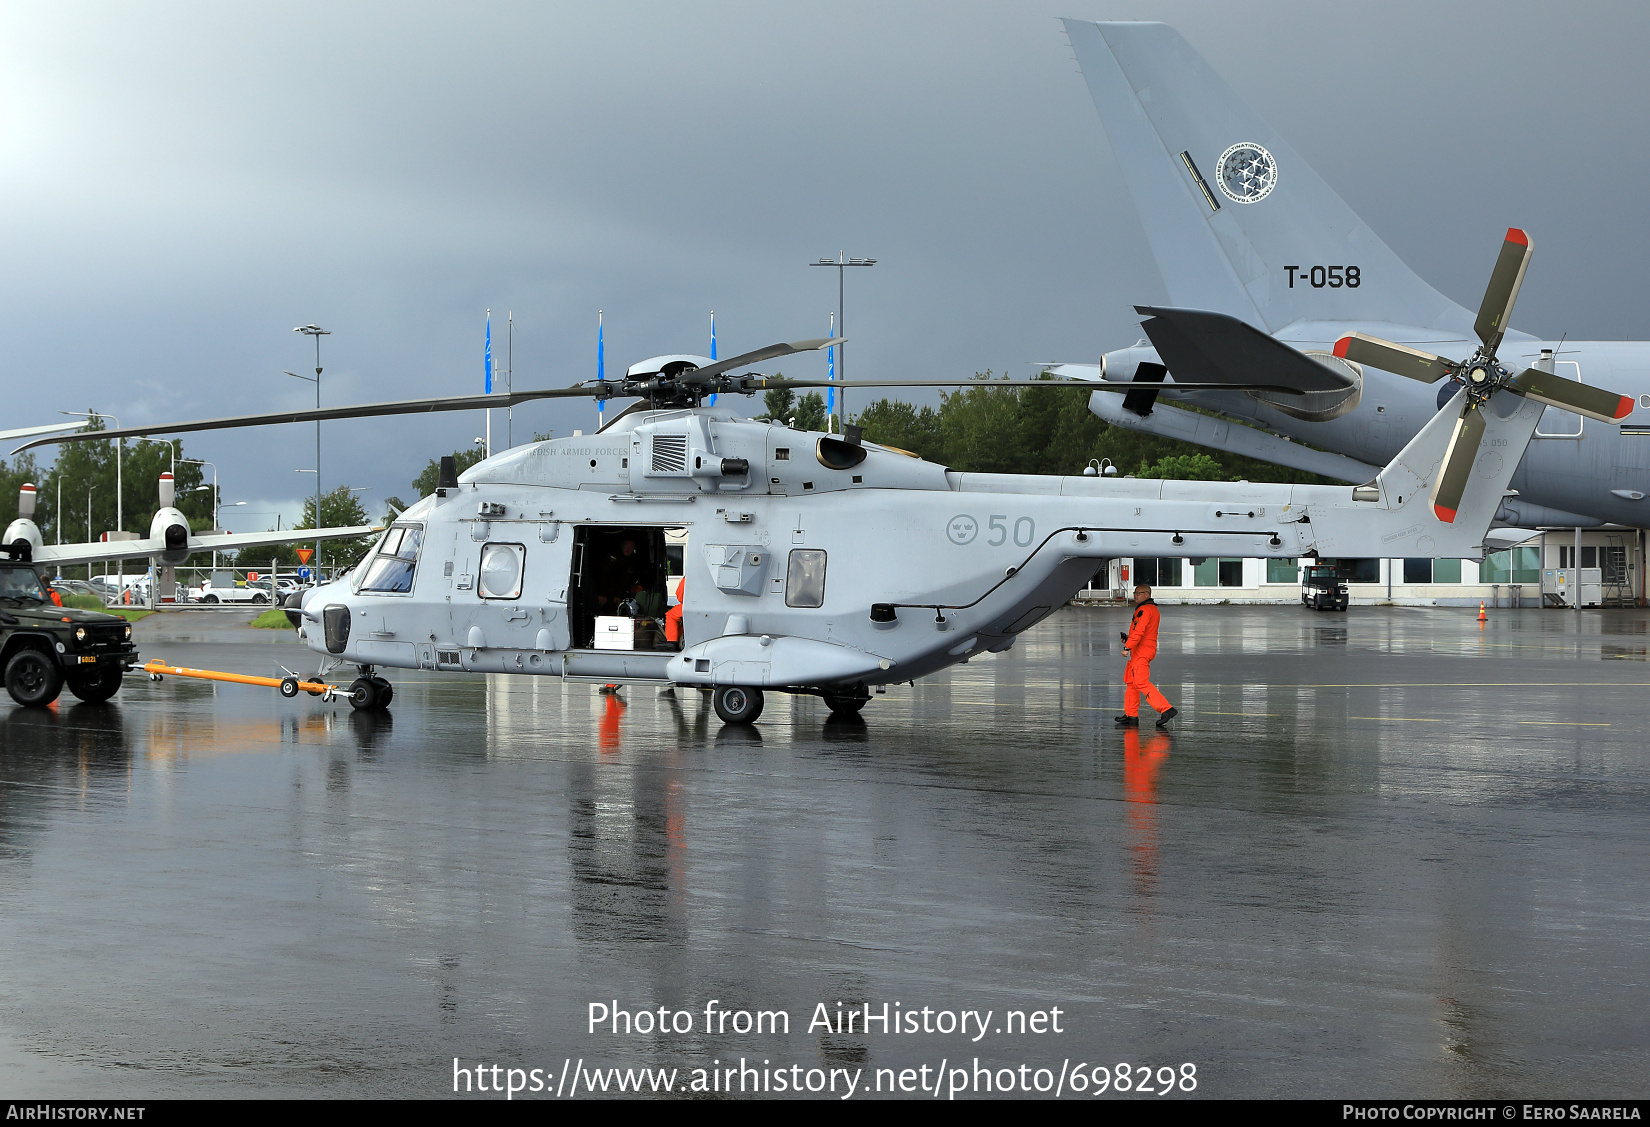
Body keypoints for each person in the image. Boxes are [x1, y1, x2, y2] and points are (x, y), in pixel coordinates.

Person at [1115, 583, 1177, 728]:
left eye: (1138, 593)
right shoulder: (1153, 609)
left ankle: (1166, 709)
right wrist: (1129, 640)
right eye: (1135, 593)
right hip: (1143, 649)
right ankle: (1131, 714)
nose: (1135, 595)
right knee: (1131, 681)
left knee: (1141, 682)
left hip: (1141, 651)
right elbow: (1143, 633)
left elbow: (1139, 631)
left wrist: (1127, 646)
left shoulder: (1143, 610)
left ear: (1146, 595)